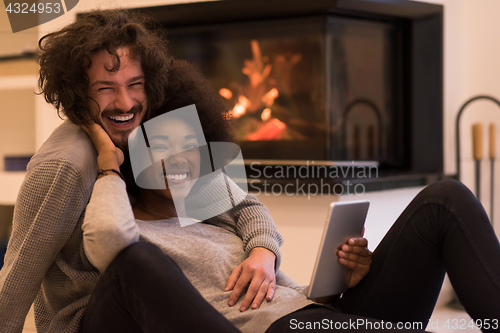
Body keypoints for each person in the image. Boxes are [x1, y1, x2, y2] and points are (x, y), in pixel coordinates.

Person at [79, 59, 500, 333]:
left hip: (316, 315)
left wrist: (328, 286)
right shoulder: (130, 234)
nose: (182, 159)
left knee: (444, 199)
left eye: (190, 144)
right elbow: (112, 237)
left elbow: (253, 213)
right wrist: (107, 161)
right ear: (133, 154)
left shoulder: (202, 201)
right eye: (161, 146)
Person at [0, 10, 282, 332]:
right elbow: (16, 280)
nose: (125, 103)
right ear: (77, 92)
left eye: (135, 84)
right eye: (106, 88)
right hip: (94, 319)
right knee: (138, 258)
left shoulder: (147, 127)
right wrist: (108, 163)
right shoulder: (65, 165)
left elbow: (239, 203)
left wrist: (262, 250)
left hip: (149, 312)